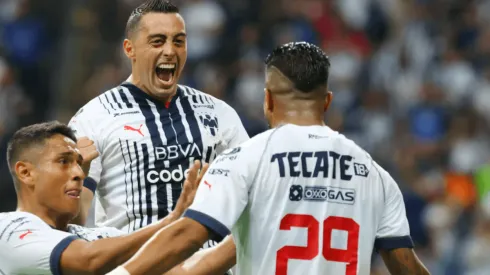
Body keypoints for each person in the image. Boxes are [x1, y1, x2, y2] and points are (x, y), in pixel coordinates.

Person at [107, 42, 431, 275]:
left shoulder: (246, 158)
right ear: (328, 101)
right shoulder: (374, 173)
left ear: (267, 99)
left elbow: (188, 236)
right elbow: (405, 265)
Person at [68, 0, 248, 233]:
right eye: (157, 41)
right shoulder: (93, 117)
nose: (170, 51)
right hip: (132, 264)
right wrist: (78, 175)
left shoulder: (219, 113)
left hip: (206, 264)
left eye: (179, 41)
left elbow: (249, 197)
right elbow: (72, 223)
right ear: (129, 49)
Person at [0, 121, 234, 275]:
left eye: (79, 164)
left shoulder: (101, 237)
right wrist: (171, 220)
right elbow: (89, 261)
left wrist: (246, 235)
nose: (79, 173)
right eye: (64, 162)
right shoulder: (7, 231)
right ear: (25, 172)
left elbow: (182, 270)